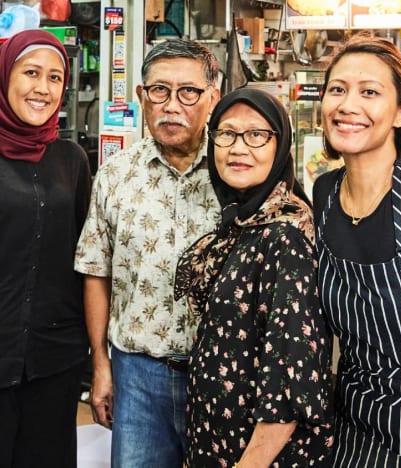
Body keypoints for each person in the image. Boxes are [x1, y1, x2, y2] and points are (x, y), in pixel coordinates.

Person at [74, 39, 221, 467]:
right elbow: (95, 271)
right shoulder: (116, 175)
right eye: (159, 90)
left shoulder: (238, 170)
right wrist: (101, 364)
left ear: (213, 97)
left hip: (219, 376)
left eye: (188, 92)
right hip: (137, 374)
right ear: (141, 96)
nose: (172, 105)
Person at [174, 87, 334, 467]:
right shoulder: (245, 221)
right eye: (226, 133)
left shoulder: (285, 235)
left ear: (280, 147)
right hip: (220, 444)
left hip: (259, 456)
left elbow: (293, 380)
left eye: (257, 135)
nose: (237, 148)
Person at [313, 34, 401, 467]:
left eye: (369, 92)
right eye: (338, 90)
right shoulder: (323, 192)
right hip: (350, 421)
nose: (348, 105)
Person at [0, 29, 92, 468]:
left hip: (53, 361)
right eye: (31, 73)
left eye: (55, 78)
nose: (43, 88)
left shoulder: (71, 160)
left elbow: (83, 255)